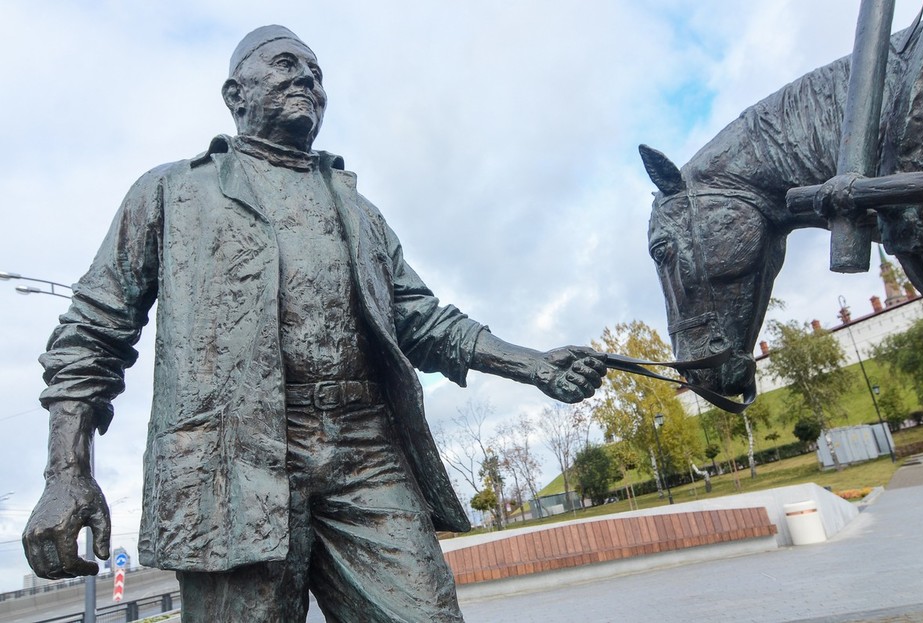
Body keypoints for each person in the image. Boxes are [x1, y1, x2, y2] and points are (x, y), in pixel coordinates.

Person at [22, 25, 606, 622]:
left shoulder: (358, 210)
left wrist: (528, 362)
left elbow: (421, 319)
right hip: (231, 463)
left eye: (317, 72)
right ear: (235, 94)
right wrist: (67, 471)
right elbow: (93, 332)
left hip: (365, 448)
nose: (306, 78)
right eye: (284, 65)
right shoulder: (170, 193)